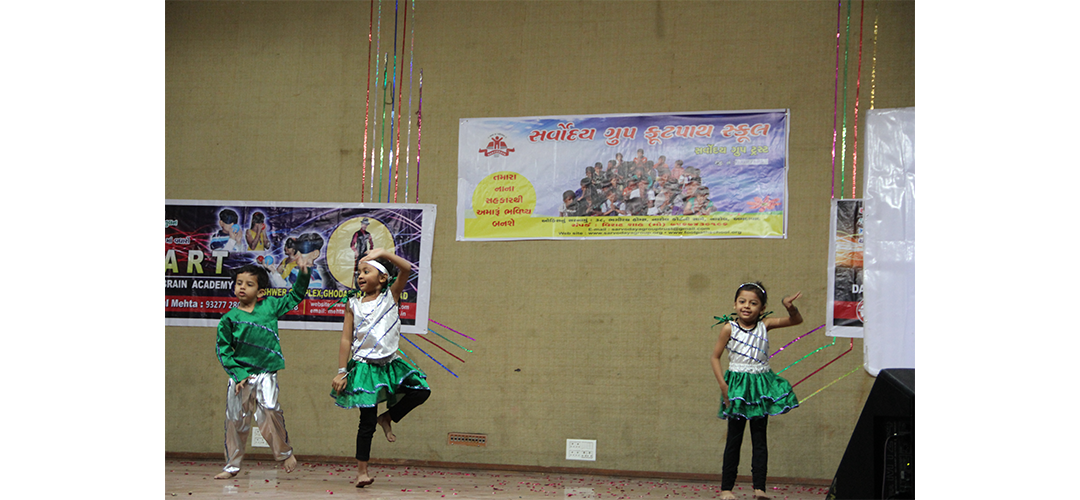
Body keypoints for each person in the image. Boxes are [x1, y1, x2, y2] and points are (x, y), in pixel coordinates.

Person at [331, 248, 430, 488]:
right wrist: (342, 371)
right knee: (366, 421)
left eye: (367, 271)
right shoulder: (353, 304)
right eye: (359, 272)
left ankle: (387, 417)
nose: (360, 276)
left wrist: (384, 252)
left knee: (421, 391)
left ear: (383, 277)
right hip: (365, 368)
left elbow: (407, 269)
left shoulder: (391, 296)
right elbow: (346, 339)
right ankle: (362, 472)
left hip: (390, 364)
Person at [214, 256, 312, 479]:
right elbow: (224, 350)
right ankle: (231, 466)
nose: (242, 287)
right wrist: (238, 374)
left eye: (249, 284)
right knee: (235, 420)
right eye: (239, 283)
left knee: (270, 409)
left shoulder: (270, 307)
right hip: (240, 377)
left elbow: (296, 295)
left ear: (260, 292)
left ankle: (284, 453)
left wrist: (304, 274)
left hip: (266, 372)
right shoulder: (229, 319)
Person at [709, 282, 802, 500]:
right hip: (738, 389)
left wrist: (789, 306)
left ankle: (760, 488)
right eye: (742, 301)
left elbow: (796, 321)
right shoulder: (729, 328)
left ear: (762, 308)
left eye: (753, 303)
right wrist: (723, 385)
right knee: (734, 439)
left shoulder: (765, 325)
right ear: (735, 304)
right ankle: (726, 489)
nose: (747, 306)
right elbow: (715, 357)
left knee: (760, 439)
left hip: (760, 388)